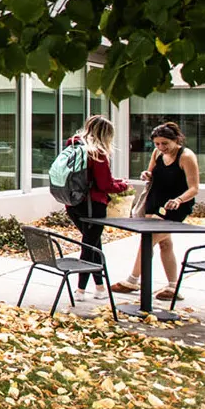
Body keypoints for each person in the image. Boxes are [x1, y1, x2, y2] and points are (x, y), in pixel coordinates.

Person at [112, 121, 201, 299]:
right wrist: (147, 174)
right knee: (165, 243)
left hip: (175, 205)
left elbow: (194, 188)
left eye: (165, 144)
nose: (161, 147)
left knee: (149, 238)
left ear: (176, 140)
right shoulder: (157, 153)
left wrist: (178, 200)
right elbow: (152, 173)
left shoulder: (186, 157)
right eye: (157, 144)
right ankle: (173, 287)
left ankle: (132, 280)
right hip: (154, 202)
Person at [65, 115, 130, 299]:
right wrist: (123, 185)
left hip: (72, 203)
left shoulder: (73, 144)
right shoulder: (97, 152)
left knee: (94, 244)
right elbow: (104, 185)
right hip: (93, 206)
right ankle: (80, 291)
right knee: (88, 246)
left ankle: (100, 287)